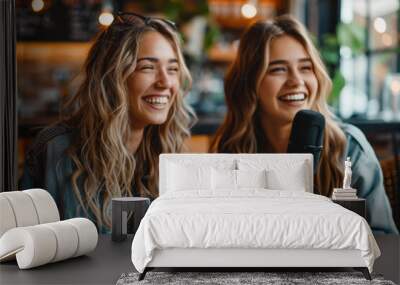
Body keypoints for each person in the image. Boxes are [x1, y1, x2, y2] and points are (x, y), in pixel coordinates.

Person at [210, 15, 398, 234]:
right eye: (278, 69)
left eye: (306, 67)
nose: (296, 81)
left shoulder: (348, 148)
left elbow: (383, 239)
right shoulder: (230, 149)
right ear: (249, 82)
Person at [20, 12, 195, 232]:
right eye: (147, 67)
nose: (165, 82)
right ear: (112, 76)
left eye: (173, 69)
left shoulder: (168, 155)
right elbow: (25, 248)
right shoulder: (55, 151)